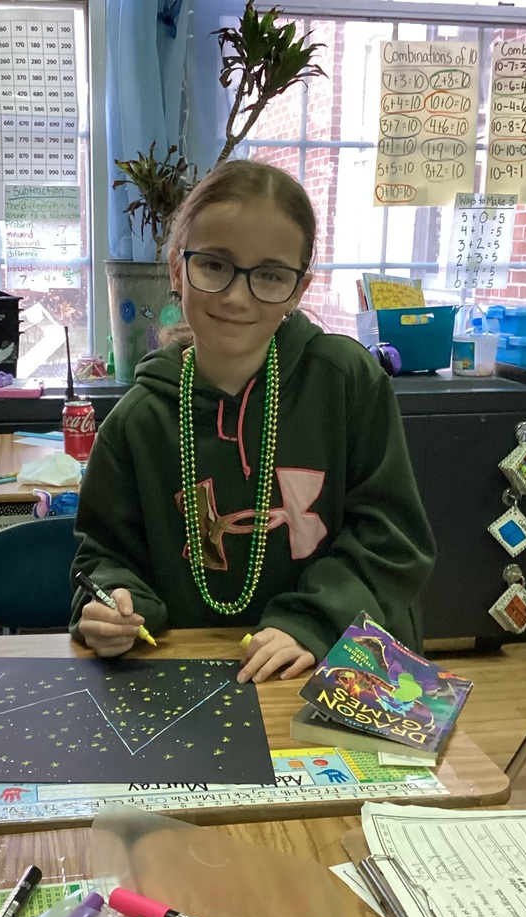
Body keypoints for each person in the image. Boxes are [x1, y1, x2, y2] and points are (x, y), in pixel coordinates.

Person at [70, 159, 435, 683]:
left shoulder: (347, 381)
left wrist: (311, 621)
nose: (238, 296)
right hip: (194, 679)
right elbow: (103, 557)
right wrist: (116, 605)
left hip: (337, 665)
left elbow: (394, 539)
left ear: (299, 288)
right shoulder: (136, 422)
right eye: (214, 265)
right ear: (177, 268)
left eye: (269, 275)